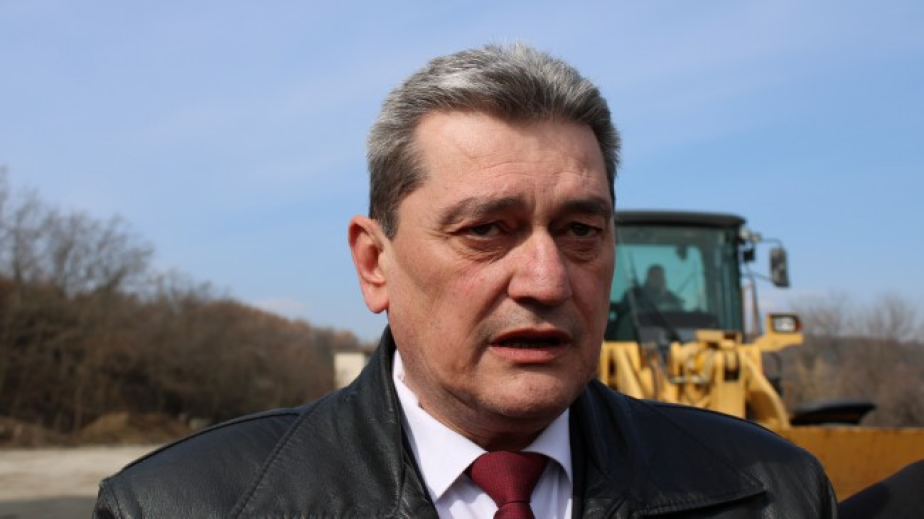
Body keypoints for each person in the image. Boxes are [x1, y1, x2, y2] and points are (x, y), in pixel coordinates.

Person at [94, 43, 836, 518]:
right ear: (375, 263)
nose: (546, 280)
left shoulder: (779, 493)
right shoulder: (178, 505)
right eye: (486, 230)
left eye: (581, 230)